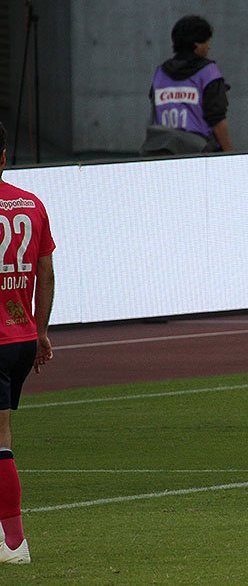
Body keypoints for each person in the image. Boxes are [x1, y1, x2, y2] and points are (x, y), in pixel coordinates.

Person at [0, 122, 55, 565]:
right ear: (3, 157)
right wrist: (41, 331)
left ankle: (15, 543)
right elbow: (46, 272)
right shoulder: (31, 204)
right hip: (20, 338)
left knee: (0, 441)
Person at [148, 15, 234, 152]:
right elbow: (217, 119)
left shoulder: (160, 73)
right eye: (206, 41)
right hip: (200, 153)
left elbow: (154, 113)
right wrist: (231, 154)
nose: (209, 46)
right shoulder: (209, 73)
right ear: (196, 44)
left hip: (162, 151)